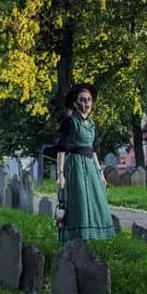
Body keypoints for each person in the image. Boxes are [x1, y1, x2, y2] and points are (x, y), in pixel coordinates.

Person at [55, 83, 116, 242]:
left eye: (89, 100)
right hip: (75, 165)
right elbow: (62, 150)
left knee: (97, 199)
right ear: (75, 103)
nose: (86, 103)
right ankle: (77, 236)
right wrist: (60, 174)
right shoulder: (70, 122)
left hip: (90, 165)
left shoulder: (92, 124)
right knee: (79, 200)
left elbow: (93, 151)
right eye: (82, 100)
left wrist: (100, 172)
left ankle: (93, 236)